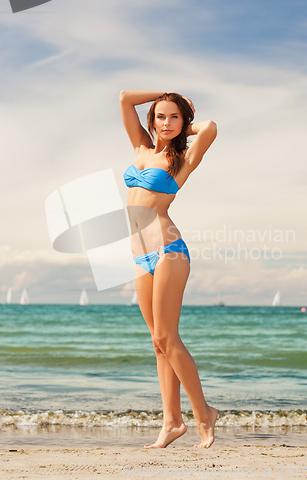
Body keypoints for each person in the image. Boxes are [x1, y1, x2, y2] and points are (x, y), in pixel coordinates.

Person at [120, 90, 218, 448]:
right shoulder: (140, 150)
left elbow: (209, 127)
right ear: (152, 120)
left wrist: (184, 125)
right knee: (157, 343)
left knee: (167, 337)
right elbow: (125, 99)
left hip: (168, 250)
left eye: (174, 117)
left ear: (183, 122)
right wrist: (163, 93)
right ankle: (172, 422)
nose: (166, 123)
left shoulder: (183, 159)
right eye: (160, 116)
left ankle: (203, 413)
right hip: (139, 254)